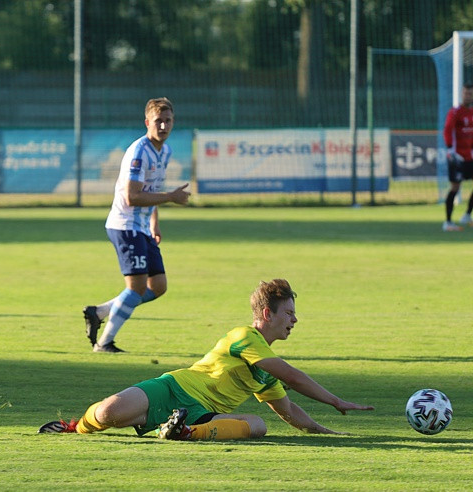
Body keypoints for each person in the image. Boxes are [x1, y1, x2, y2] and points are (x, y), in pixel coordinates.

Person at [42, 279, 374, 440]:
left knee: (259, 425)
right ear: (267, 313)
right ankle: (76, 428)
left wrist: (325, 431)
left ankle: (182, 432)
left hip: (201, 414)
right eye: (289, 313)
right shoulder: (244, 337)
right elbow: (294, 376)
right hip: (174, 387)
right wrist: (335, 400)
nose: (294, 320)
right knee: (107, 413)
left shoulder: (266, 370)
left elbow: (290, 412)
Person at [83, 97, 190, 352]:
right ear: (147, 122)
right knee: (137, 287)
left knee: (159, 286)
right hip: (125, 225)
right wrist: (171, 198)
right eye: (158, 121)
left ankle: (99, 312)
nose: (163, 126)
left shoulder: (165, 151)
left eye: (168, 121)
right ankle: (104, 342)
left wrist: (155, 222)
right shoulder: (140, 151)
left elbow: (152, 189)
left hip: (142, 227)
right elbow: (133, 196)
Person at [442, 81, 473, 231]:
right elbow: (448, 130)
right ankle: (448, 222)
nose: (468, 96)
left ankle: (467, 215)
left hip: (470, 156)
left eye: (471, 93)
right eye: (466, 93)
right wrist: (450, 150)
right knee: (455, 187)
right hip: (457, 157)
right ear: (462, 94)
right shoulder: (455, 112)